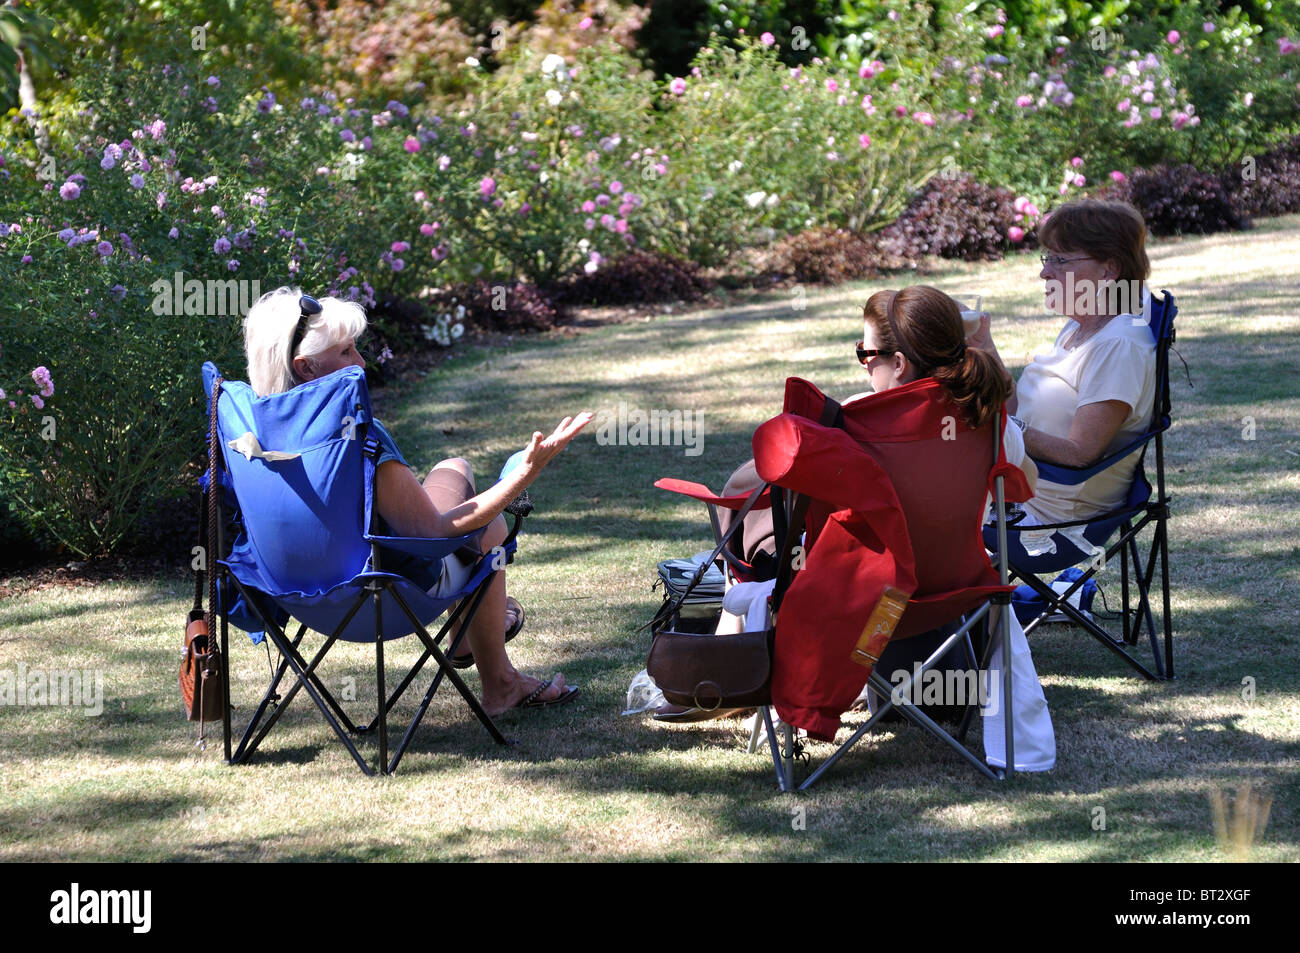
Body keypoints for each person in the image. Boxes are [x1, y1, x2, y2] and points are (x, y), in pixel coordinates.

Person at [242, 286, 592, 716]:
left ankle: (469, 634)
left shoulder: (250, 432)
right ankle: (498, 681)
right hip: (383, 594)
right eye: (348, 352)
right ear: (306, 366)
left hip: (297, 594)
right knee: (491, 530)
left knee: (455, 467)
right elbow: (433, 534)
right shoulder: (356, 437)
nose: (361, 362)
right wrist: (524, 474)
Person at [965, 199, 1155, 542]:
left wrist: (1002, 429)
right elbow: (1017, 411)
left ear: (1109, 270)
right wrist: (984, 347)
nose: (1044, 272)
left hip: (1054, 510)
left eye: (1060, 260)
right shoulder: (1078, 330)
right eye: (1047, 258)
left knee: (918, 504)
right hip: (1021, 485)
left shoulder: (1118, 345)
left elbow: (1080, 453)